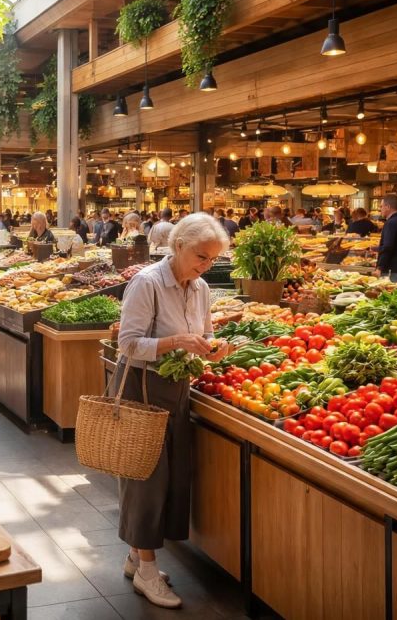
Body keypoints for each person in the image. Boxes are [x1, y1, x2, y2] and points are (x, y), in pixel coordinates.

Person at [115, 213, 233, 609]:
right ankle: (148, 572)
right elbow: (128, 344)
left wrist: (214, 346)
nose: (205, 266)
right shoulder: (146, 283)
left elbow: (207, 331)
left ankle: (137, 557)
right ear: (178, 245)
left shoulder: (199, 288)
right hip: (142, 388)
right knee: (147, 478)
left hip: (176, 388)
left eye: (212, 260)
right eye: (201, 256)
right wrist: (176, 340)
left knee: (171, 477)